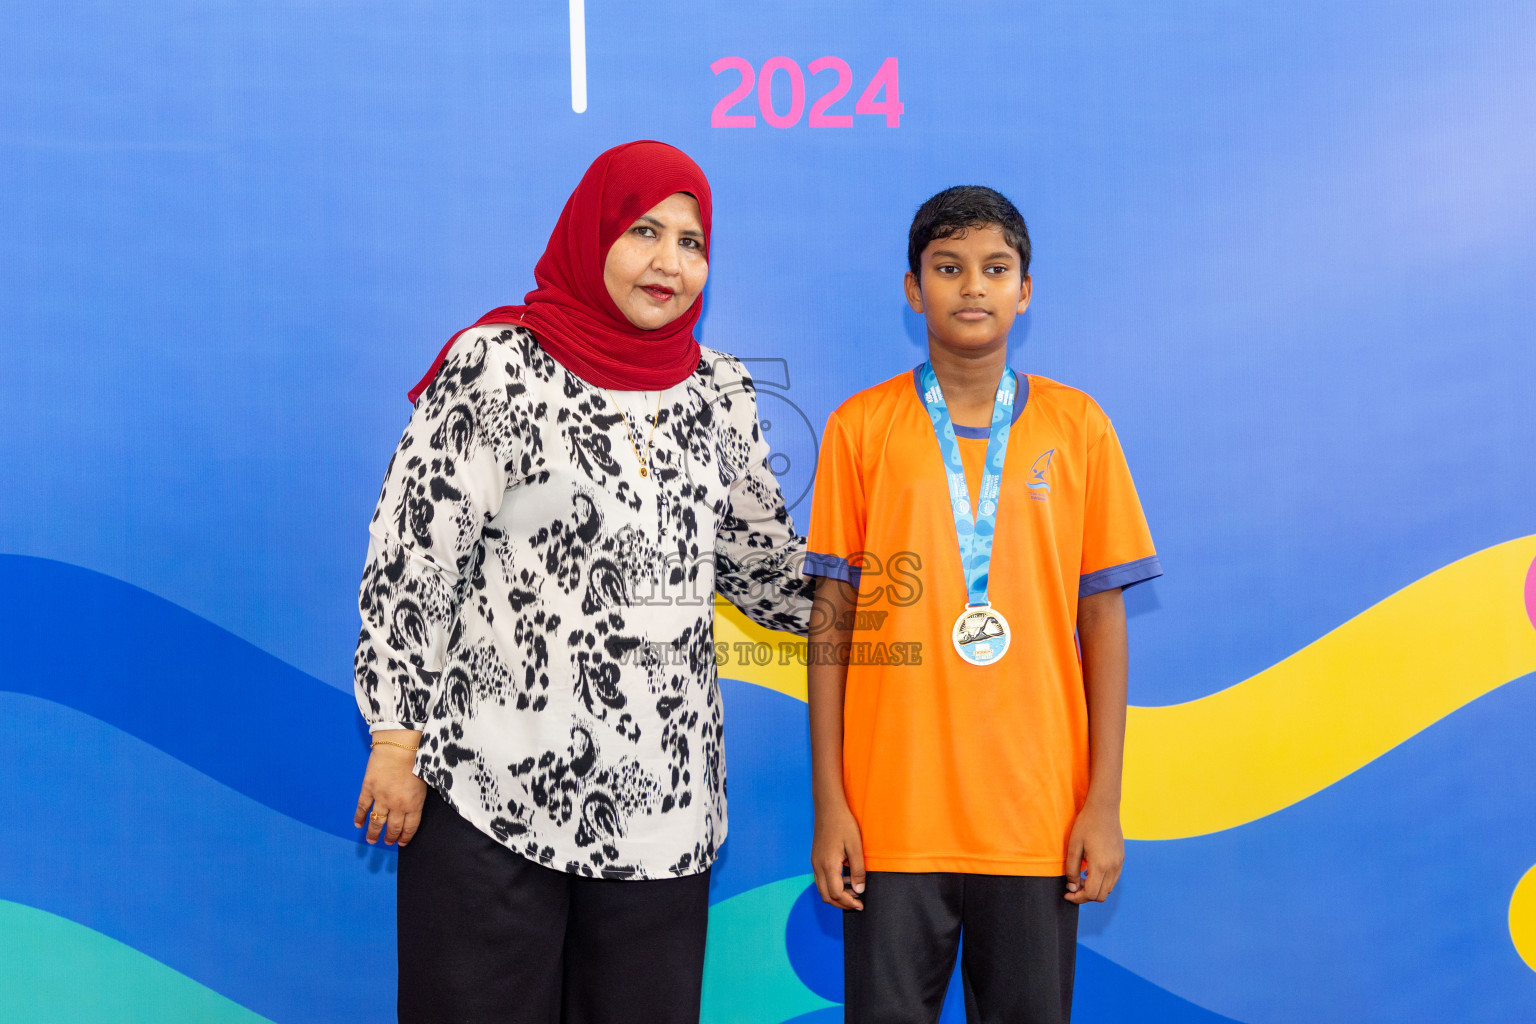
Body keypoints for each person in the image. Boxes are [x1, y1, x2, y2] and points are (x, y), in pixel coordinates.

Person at [351, 140, 813, 1024]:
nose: (669, 262)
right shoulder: (495, 366)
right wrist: (395, 740)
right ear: (591, 231)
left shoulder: (719, 391)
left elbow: (764, 573)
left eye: (691, 241)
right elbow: (415, 560)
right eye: (644, 231)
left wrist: (913, 574)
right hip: (491, 793)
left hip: (663, 819)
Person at [804, 185, 1161, 1024]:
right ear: (912, 287)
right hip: (892, 819)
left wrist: (1102, 805)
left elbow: (1103, 624)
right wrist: (832, 804)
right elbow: (831, 624)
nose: (972, 286)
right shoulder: (860, 428)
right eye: (949, 267)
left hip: (1035, 820)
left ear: (1025, 290)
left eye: (996, 268)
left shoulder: (1080, 430)